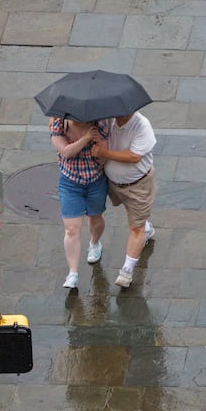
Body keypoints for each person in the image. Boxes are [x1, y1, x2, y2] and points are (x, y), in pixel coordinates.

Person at [92, 111, 156, 288]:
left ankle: (126, 271)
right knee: (136, 219)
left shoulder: (142, 126)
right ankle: (146, 227)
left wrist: (105, 151)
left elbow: (134, 156)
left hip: (138, 186)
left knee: (135, 227)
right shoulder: (107, 121)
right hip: (114, 184)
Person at [49, 117, 110, 289]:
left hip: (95, 180)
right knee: (71, 228)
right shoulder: (59, 123)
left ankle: (95, 243)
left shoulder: (101, 124)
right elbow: (66, 152)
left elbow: (105, 158)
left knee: (96, 217)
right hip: (70, 182)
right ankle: (73, 273)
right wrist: (85, 139)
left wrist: (100, 150)